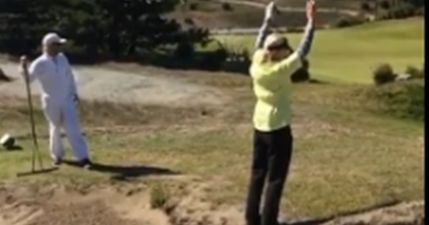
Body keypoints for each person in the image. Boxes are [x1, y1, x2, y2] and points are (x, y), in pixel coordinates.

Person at [245, 1, 316, 225]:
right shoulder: (280, 69)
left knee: (258, 174)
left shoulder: (257, 62)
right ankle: (269, 221)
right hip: (278, 129)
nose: (288, 49)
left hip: (260, 126)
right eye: (284, 46)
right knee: (275, 178)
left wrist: (268, 17)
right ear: (276, 52)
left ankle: (251, 218)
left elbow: (260, 38)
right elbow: (304, 49)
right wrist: (311, 21)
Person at [19, 32, 92, 169]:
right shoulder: (39, 63)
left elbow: (69, 76)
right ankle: (57, 156)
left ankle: (83, 157)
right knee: (55, 127)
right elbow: (28, 79)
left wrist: (74, 92)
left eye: (60, 45)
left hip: (67, 99)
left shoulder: (63, 58)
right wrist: (23, 68)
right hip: (50, 100)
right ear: (49, 46)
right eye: (57, 45)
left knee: (73, 127)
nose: (59, 47)